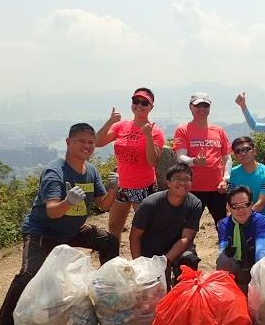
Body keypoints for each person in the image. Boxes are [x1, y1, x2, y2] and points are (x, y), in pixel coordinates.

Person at [0, 123, 119, 325]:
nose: (87, 146)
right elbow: (52, 211)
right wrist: (68, 201)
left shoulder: (90, 171)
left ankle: (108, 299)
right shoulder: (55, 172)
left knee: (108, 241)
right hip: (43, 231)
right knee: (28, 274)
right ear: (68, 142)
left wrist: (113, 188)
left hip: (72, 229)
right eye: (81, 141)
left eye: (91, 142)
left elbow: (103, 205)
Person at [94, 87, 164, 242]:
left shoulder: (155, 131)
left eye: (144, 102)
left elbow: (153, 161)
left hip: (143, 186)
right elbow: (97, 142)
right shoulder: (121, 126)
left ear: (151, 107)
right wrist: (110, 121)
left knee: (144, 229)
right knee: (113, 227)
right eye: (136, 101)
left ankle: (143, 261)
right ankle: (113, 260)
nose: (139, 105)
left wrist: (148, 136)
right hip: (122, 185)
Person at [129, 162, 203, 288]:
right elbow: (134, 236)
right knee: (158, 291)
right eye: (177, 179)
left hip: (177, 248)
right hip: (151, 250)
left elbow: (186, 238)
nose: (182, 183)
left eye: (187, 179)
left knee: (189, 259)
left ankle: (183, 292)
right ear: (168, 182)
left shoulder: (194, 204)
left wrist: (166, 261)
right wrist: (139, 265)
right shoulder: (150, 204)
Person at [173, 93, 232, 231]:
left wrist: (226, 179)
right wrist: (194, 161)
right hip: (192, 187)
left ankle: (226, 251)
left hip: (218, 188)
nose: (202, 109)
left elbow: (227, 158)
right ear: (190, 107)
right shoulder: (183, 130)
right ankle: (186, 252)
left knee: (224, 225)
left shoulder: (219, 130)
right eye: (198, 105)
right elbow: (180, 156)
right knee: (188, 226)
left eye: (206, 105)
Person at [216, 186, 265, 293]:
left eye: (245, 205)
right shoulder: (224, 224)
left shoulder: (259, 220)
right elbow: (222, 252)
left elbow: (261, 251)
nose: (241, 210)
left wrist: (258, 277)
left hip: (257, 269)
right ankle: (228, 291)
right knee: (223, 259)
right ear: (228, 207)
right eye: (235, 206)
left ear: (251, 205)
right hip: (237, 268)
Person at [227, 136, 265, 235]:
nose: (242, 153)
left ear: (254, 151)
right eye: (238, 151)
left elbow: (260, 204)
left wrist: (240, 220)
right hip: (238, 225)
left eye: (246, 149)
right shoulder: (233, 173)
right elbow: (229, 201)